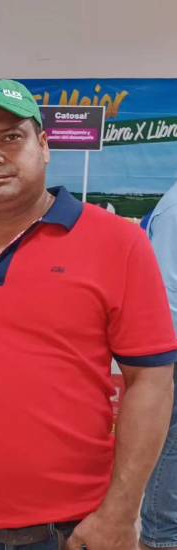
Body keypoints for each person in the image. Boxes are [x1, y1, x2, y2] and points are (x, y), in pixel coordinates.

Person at [0, 79, 177, 550]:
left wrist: (120, 513)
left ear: (45, 145)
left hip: (71, 528)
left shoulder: (119, 243)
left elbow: (151, 382)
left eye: (10, 138)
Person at [141, 181, 177, 550]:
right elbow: (167, 296)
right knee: (173, 443)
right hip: (174, 350)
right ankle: (161, 536)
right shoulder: (175, 210)